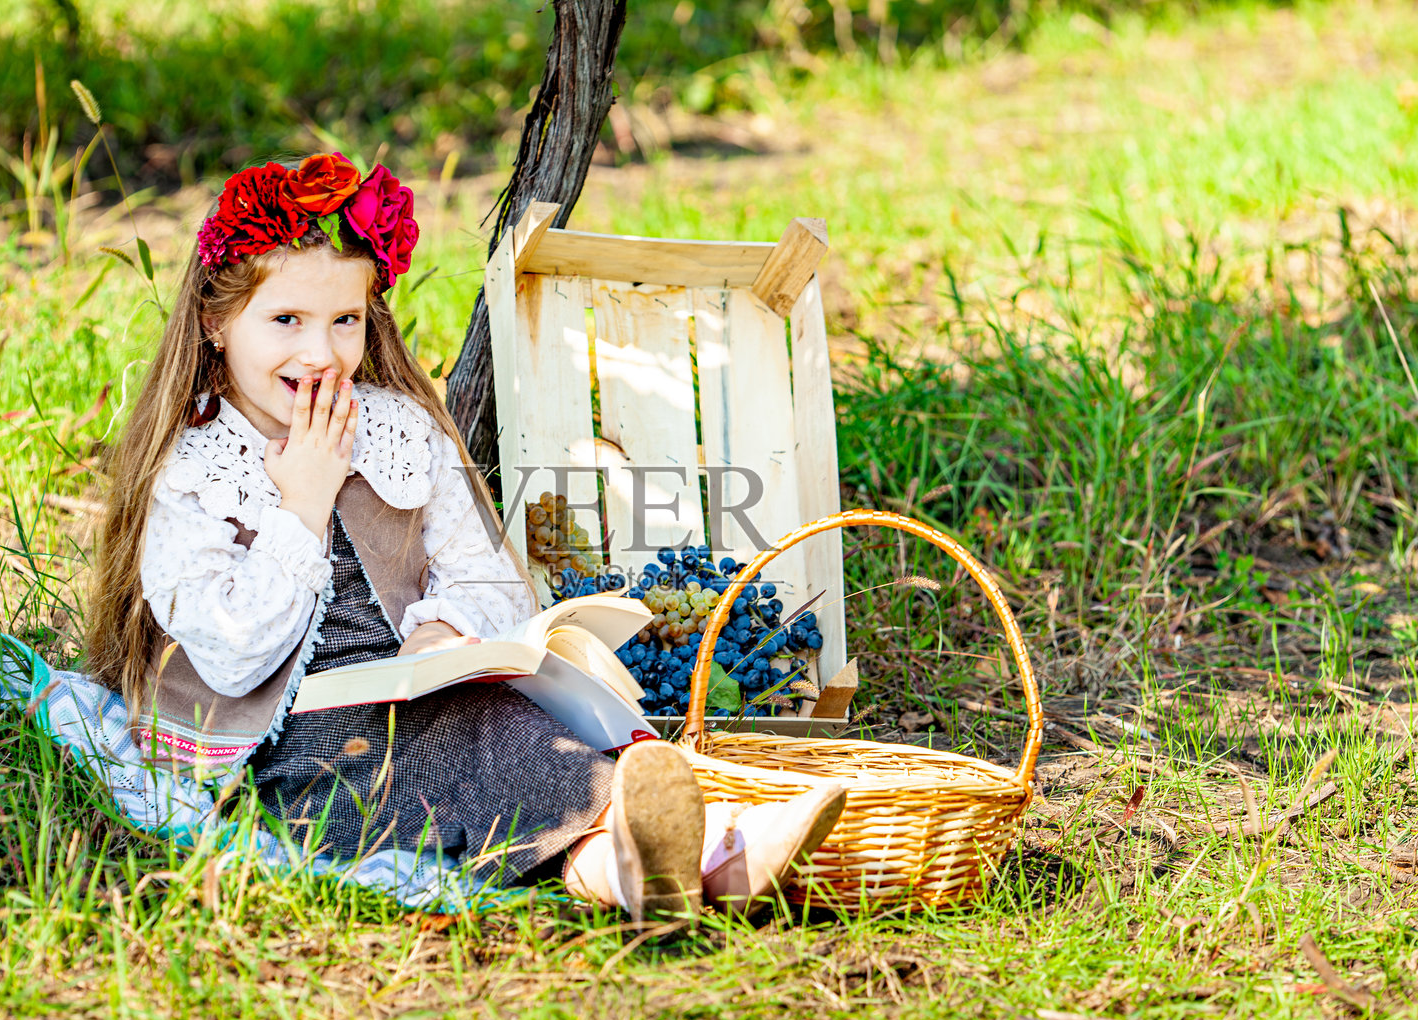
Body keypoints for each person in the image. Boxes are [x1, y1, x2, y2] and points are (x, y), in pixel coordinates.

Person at [82, 153, 846, 920]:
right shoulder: (194, 467)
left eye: (344, 320)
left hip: (419, 700)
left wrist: (443, 630)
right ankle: (719, 853)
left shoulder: (397, 430)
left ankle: (665, 867)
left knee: (528, 730)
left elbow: (490, 581)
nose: (320, 353)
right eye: (286, 320)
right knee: (492, 755)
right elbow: (227, 649)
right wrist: (301, 504)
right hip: (284, 752)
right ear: (217, 322)